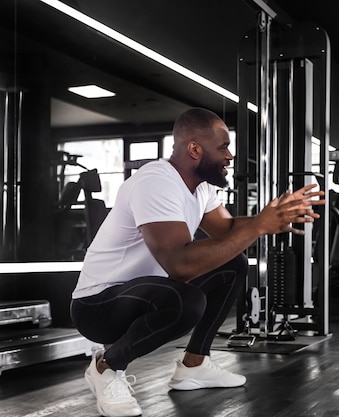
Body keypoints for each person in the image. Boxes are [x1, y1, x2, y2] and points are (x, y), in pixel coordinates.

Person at [70, 107, 325, 417]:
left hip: (142, 294)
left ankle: (195, 364)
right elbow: (180, 266)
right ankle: (106, 366)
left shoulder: (200, 187)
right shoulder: (156, 181)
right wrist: (259, 225)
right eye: (223, 147)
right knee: (187, 301)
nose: (230, 155)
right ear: (194, 149)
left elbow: (228, 231)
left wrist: (270, 218)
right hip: (97, 306)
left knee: (234, 264)